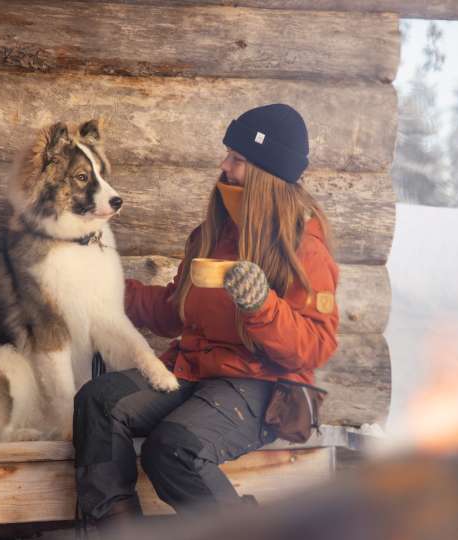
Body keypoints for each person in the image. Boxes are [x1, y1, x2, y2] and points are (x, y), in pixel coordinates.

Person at [73, 103, 340, 525]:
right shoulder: (212, 234)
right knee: (99, 401)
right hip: (194, 371)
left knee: (172, 448)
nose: (224, 165)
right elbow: (172, 313)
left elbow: (315, 348)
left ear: (265, 175)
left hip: (258, 385)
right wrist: (106, 288)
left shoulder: (303, 247)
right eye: (228, 155)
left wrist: (262, 306)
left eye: (237, 159)